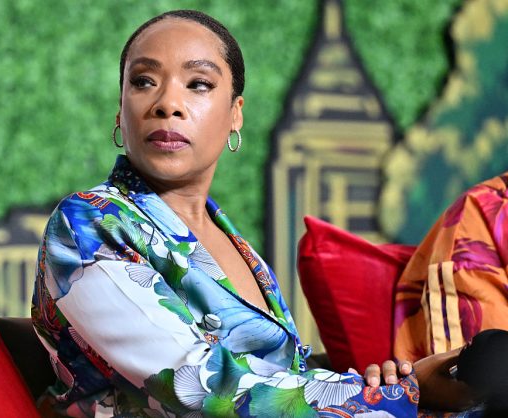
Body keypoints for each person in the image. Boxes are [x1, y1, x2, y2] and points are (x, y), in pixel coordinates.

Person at [32, 10, 476, 417]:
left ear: (235, 115)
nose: (167, 103)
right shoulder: (87, 224)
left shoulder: (235, 245)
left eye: (198, 84)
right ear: (120, 110)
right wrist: (402, 394)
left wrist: (383, 382)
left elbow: (285, 377)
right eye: (143, 81)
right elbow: (196, 389)